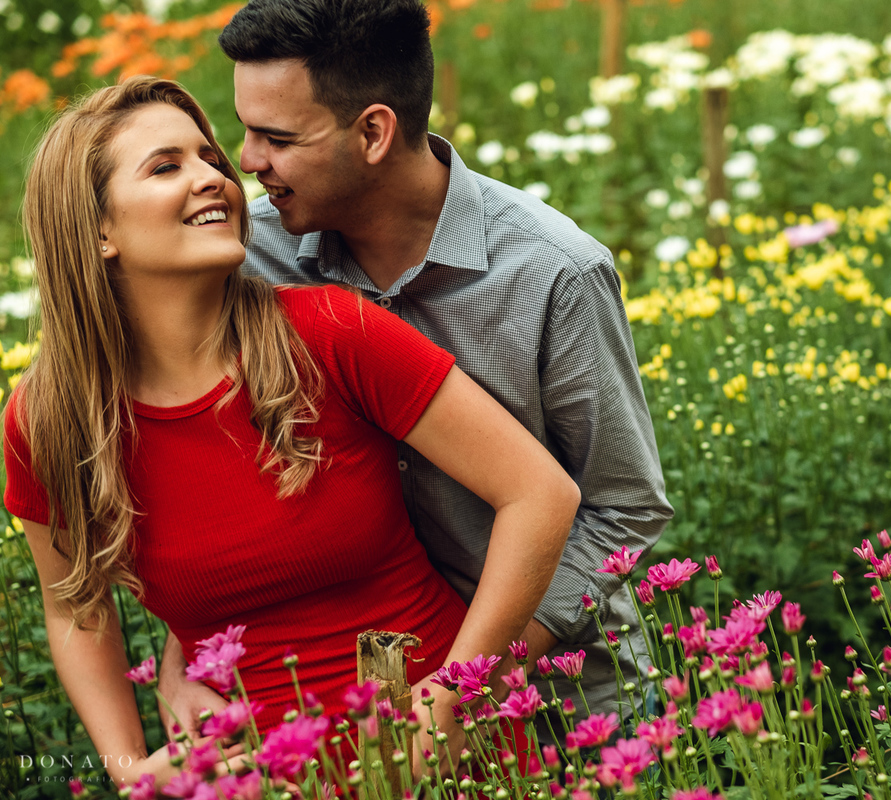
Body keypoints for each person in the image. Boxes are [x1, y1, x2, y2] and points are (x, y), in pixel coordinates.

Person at [4, 76, 580, 788]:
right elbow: (75, 613)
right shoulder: (47, 419)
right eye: (166, 166)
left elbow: (540, 492)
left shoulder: (332, 332)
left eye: (208, 157)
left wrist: (455, 694)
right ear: (96, 232)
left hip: (438, 752)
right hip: (249, 778)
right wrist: (133, 772)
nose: (215, 177)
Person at [157, 0, 673, 751]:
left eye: (276, 138)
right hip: (353, 719)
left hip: (570, 705)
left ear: (372, 131)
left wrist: (468, 679)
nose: (248, 160)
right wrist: (180, 658)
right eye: (245, 131)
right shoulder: (251, 260)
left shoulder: (555, 271)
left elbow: (622, 510)